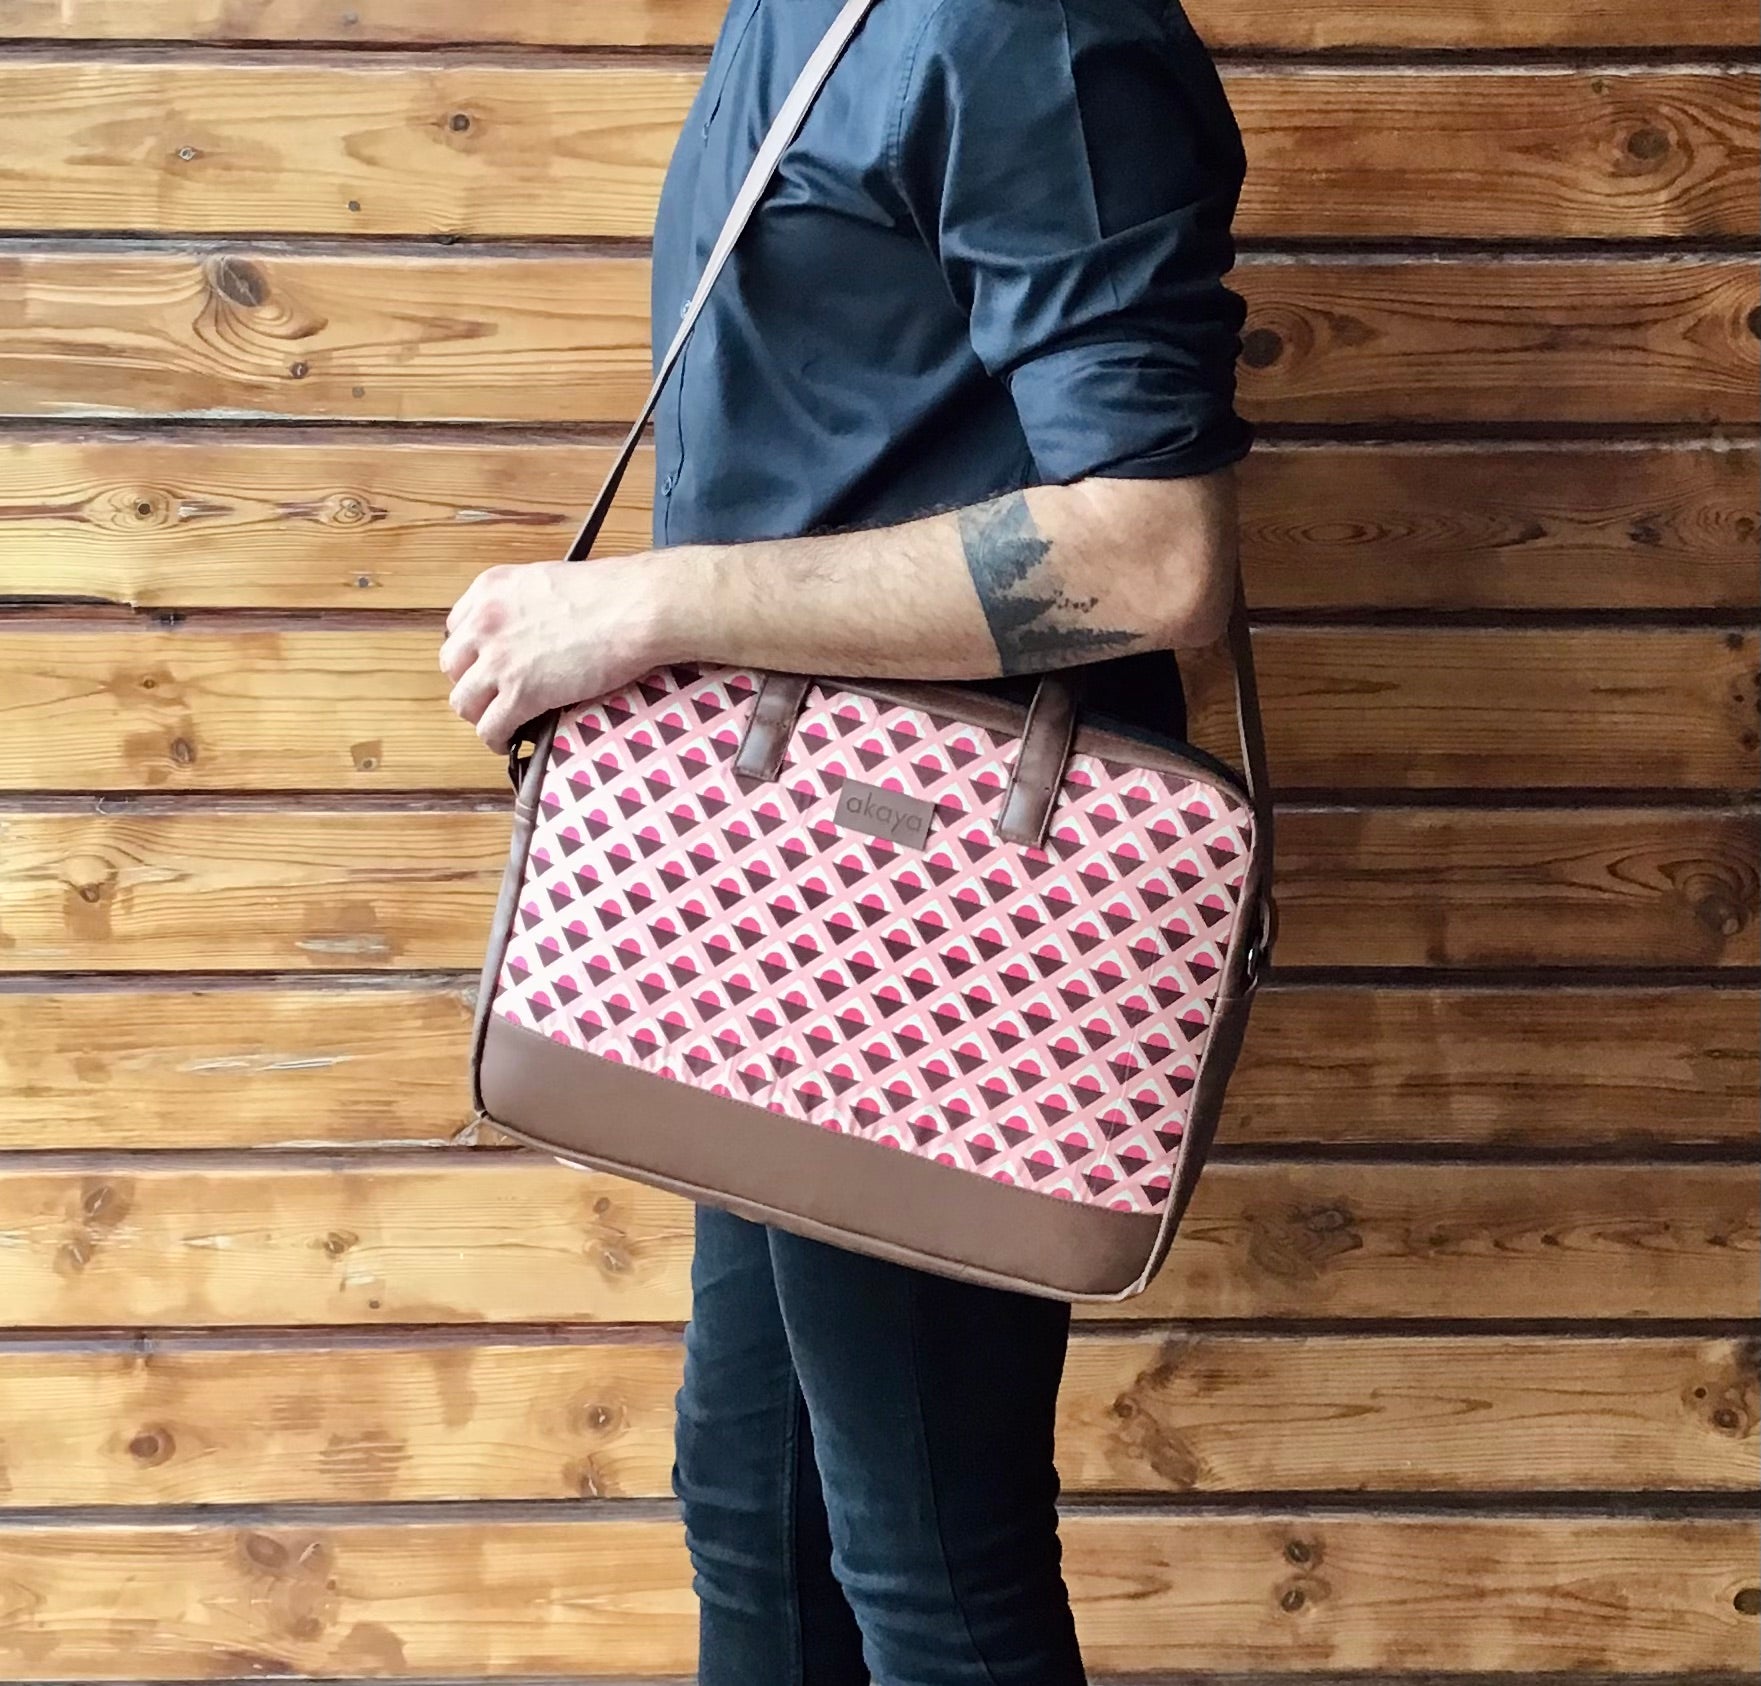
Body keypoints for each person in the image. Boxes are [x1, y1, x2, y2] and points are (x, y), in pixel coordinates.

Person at [441, 0, 1252, 1677]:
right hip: (784, 906)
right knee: (763, 1518)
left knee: (927, 1570)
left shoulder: (1020, 30)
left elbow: (1149, 549)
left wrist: (649, 606)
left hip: (938, 923)